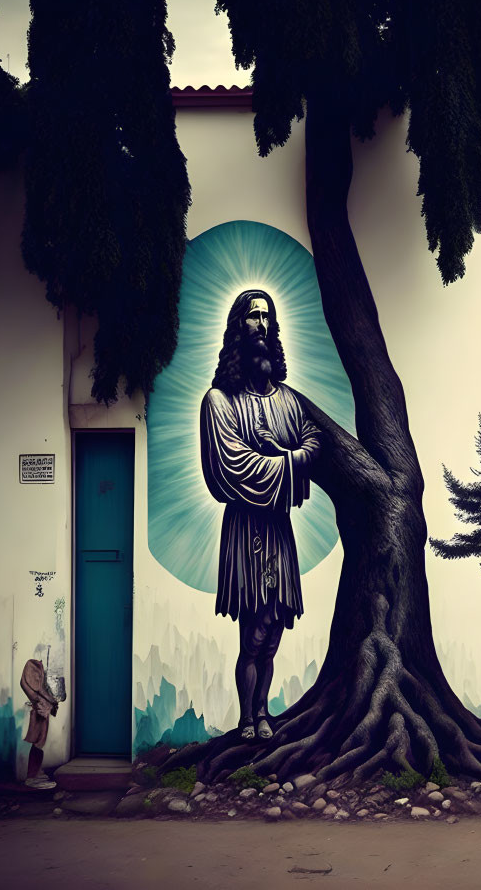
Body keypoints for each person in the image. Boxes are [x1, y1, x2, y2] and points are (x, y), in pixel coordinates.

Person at [201, 288, 320, 741]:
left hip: (278, 532)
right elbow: (234, 468)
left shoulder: (289, 402)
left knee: (273, 636)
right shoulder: (219, 403)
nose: (262, 326)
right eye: (252, 318)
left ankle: (264, 714)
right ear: (237, 329)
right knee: (253, 633)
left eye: (267, 318)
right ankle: (247, 721)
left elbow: (313, 440)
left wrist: (288, 452)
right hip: (247, 531)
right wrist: (288, 460)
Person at [19, 650, 59, 789]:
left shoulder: (35, 677)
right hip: (39, 712)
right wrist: (49, 700)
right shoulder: (33, 667)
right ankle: (32, 776)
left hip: (42, 711)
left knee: (39, 743)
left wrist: (51, 701)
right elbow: (38, 689)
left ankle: (35, 773)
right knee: (37, 742)